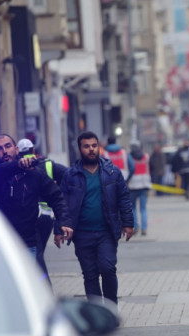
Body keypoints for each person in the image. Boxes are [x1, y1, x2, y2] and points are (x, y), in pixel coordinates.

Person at [57, 131, 135, 306]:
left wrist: (128, 224)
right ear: (80, 149)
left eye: (94, 145)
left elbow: (124, 197)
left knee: (108, 269)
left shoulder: (112, 172)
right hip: (82, 234)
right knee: (90, 274)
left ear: (98, 147)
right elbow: (62, 203)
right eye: (86, 146)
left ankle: (111, 308)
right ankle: (98, 314)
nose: (91, 150)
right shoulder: (71, 175)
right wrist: (59, 228)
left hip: (106, 232)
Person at [0, 134, 73, 264]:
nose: (5, 151)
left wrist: (63, 222)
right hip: (0, 242)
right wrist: (17, 165)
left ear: (17, 149)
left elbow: (56, 197)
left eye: (8, 146)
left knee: (36, 280)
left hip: (28, 241)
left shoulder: (33, 173)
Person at [16, 138, 68, 286]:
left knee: (36, 255)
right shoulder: (48, 164)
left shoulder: (16, 166)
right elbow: (68, 175)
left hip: (30, 216)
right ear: (33, 150)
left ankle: (44, 291)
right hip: (47, 216)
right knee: (38, 253)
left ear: (17, 152)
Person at [128, 142, 151, 236]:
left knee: (133, 208)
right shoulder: (146, 156)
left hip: (133, 185)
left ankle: (136, 227)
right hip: (145, 184)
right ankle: (144, 229)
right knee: (143, 209)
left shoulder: (130, 158)